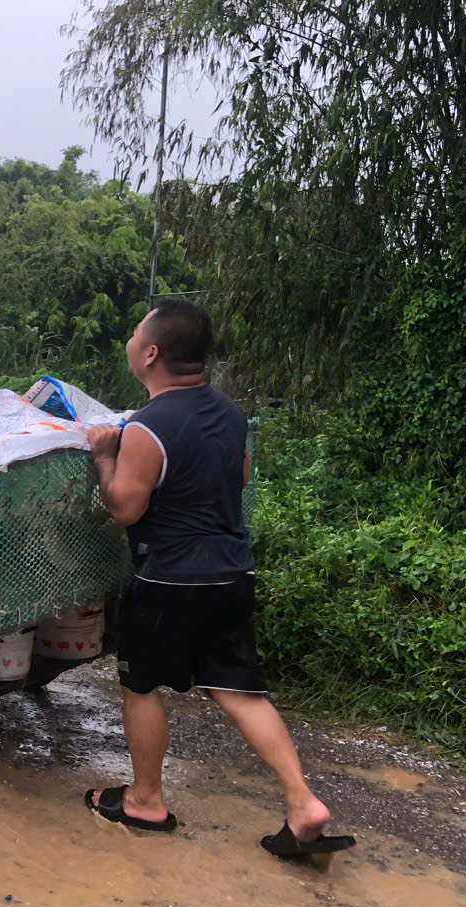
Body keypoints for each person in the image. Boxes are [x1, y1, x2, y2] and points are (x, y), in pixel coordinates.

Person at [84, 298, 354, 860]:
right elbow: (240, 476)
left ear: (151, 353)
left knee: (141, 685)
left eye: (136, 335)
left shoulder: (147, 427)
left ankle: (145, 800)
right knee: (238, 689)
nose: (131, 341)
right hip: (232, 573)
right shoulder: (232, 417)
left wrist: (106, 457)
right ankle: (303, 803)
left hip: (170, 581)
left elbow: (126, 509)